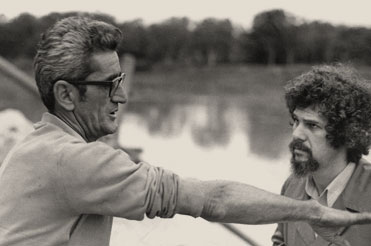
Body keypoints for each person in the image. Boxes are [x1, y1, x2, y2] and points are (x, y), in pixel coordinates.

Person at [0, 16, 370, 246]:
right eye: (109, 85)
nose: (122, 96)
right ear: (66, 94)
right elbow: (212, 200)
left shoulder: (36, 147)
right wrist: (316, 214)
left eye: (121, 81)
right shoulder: (72, 160)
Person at [271, 65, 371, 246]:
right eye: (296, 121)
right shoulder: (292, 186)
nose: (296, 134)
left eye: (312, 125)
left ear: (346, 135)